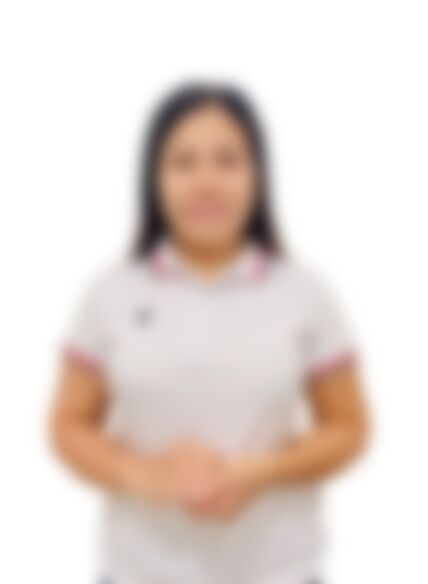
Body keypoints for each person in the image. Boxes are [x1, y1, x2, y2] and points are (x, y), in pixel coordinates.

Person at [51, 84, 368, 584]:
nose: (206, 181)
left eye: (227, 161)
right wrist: (147, 475)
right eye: (183, 163)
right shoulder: (110, 293)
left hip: (277, 570)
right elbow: (69, 425)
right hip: (138, 570)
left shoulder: (305, 293)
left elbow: (349, 427)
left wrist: (255, 472)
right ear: (155, 178)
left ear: (257, 175)